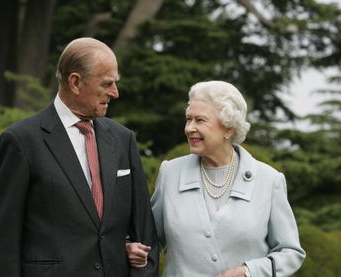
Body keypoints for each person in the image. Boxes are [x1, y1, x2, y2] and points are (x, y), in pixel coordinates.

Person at [0, 37, 159, 277]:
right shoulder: (21, 141)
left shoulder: (123, 140)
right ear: (75, 82)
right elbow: (3, 241)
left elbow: (145, 234)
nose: (115, 93)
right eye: (106, 84)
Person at [126, 81, 305, 277]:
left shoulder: (269, 180)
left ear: (228, 128)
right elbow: (149, 240)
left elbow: (290, 253)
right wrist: (131, 247)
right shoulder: (171, 173)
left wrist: (249, 271)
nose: (189, 128)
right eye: (188, 119)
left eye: (200, 120)